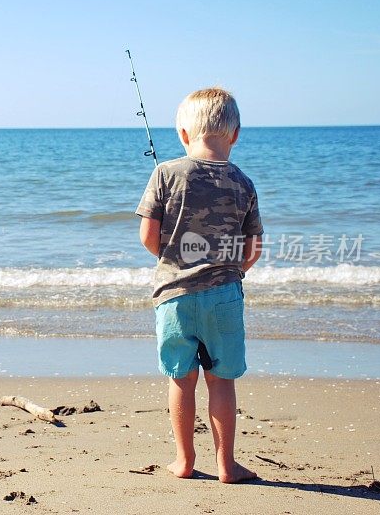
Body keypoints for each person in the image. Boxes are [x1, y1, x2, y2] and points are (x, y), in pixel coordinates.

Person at [135, 87, 263, 483]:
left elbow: (147, 235)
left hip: (174, 297)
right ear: (235, 134)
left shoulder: (166, 173)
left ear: (184, 134)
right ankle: (227, 465)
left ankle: (184, 460)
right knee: (221, 379)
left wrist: (169, 259)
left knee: (181, 377)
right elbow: (253, 247)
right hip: (224, 295)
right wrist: (233, 270)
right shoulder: (243, 182)